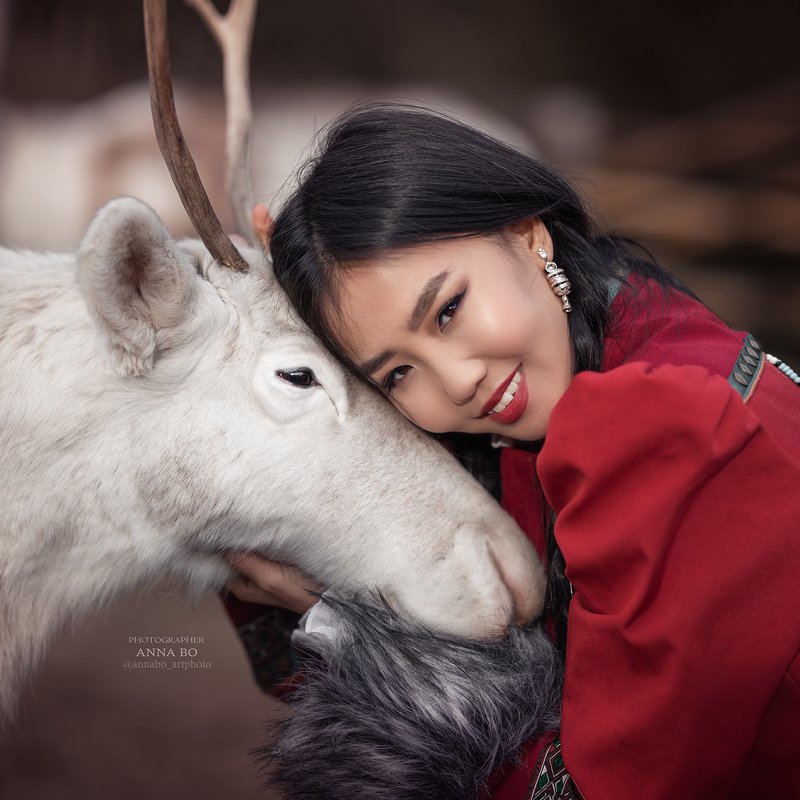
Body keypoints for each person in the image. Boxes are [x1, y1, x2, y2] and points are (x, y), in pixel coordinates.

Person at [224, 105, 800, 799]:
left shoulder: (654, 431)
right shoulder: (630, 341)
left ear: (527, 236)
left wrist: (369, 635)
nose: (456, 381)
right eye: (397, 374)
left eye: (448, 310)